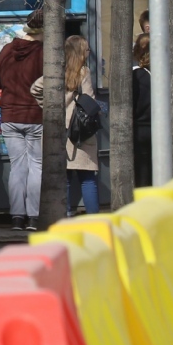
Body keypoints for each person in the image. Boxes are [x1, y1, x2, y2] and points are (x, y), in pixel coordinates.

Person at [0, 9, 45, 230]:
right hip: (35, 115)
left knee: (17, 167)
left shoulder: (6, 50)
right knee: (36, 165)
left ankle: (16, 216)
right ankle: (33, 217)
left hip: (9, 115)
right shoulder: (44, 53)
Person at [60, 34, 100, 215]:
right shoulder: (84, 71)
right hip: (80, 130)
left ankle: (66, 215)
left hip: (62, 128)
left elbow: (36, 88)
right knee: (87, 178)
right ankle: (93, 220)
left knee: (65, 179)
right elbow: (90, 100)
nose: (88, 52)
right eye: (86, 49)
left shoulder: (56, 70)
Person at [132, 33, 154, 189]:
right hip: (157, 127)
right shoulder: (164, 73)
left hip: (140, 128)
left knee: (142, 169)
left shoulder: (136, 76)